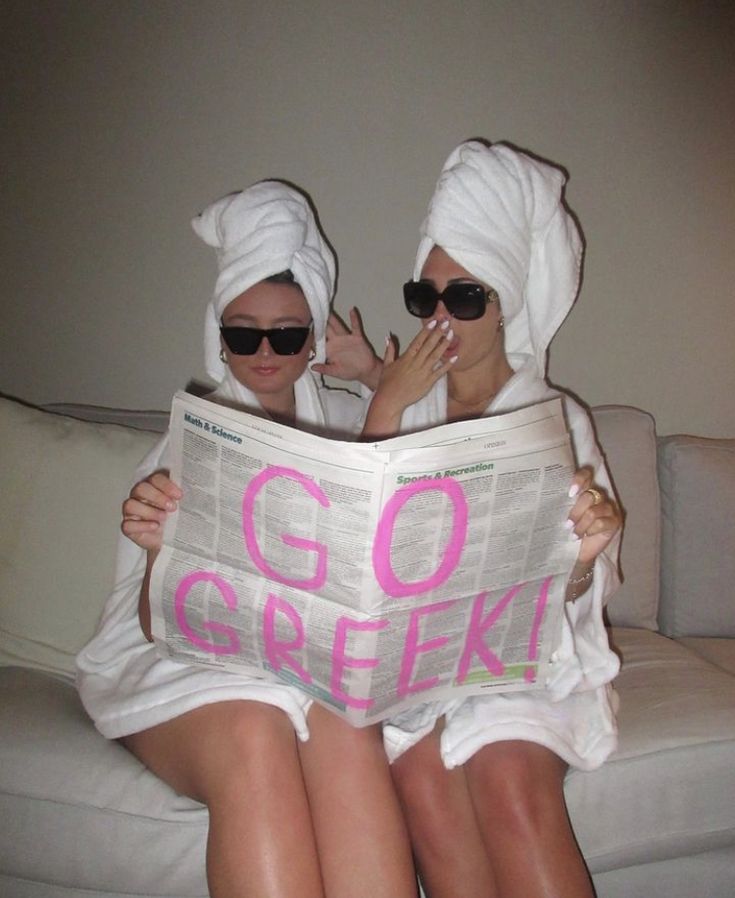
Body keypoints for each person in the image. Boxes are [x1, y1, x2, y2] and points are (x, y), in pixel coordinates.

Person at [75, 181, 416, 898]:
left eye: (289, 333)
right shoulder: (191, 441)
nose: (265, 351)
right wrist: (156, 553)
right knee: (257, 731)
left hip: (311, 656)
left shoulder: (356, 422)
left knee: (344, 719)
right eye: (242, 333)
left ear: (313, 337)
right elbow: (153, 623)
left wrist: (382, 379)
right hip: (184, 661)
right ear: (217, 336)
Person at [350, 141, 623, 897]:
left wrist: (580, 555)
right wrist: (386, 404)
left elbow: (572, 593)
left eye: (465, 297)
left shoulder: (555, 419)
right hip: (418, 665)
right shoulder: (398, 410)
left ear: (503, 303)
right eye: (424, 296)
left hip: (521, 661)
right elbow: (355, 555)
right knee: (424, 789)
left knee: (505, 778)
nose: (441, 317)